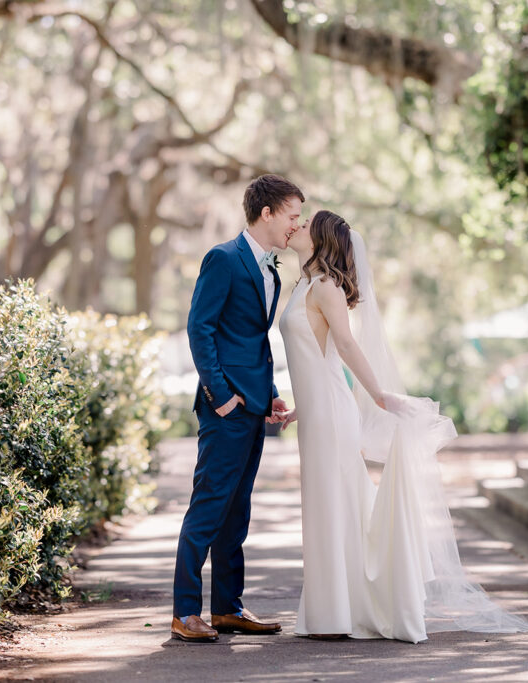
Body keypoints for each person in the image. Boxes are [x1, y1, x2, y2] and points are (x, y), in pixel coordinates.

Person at [276, 210, 528, 642]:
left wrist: (379, 395)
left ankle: (341, 612)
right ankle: (332, 610)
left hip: (333, 418)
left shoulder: (325, 287)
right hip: (318, 414)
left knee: (336, 503)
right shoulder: (304, 283)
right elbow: (322, 359)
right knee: (330, 505)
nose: (297, 227)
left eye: (306, 224)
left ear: (320, 240)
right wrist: (302, 406)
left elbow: (345, 345)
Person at [171, 174, 303, 643]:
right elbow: (199, 329)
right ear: (266, 212)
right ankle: (185, 611)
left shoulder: (273, 269)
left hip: (253, 406)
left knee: (236, 512)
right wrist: (221, 396)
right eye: (292, 215)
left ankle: (227, 608)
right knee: (208, 507)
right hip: (225, 408)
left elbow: (251, 341)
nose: (297, 224)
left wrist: (267, 395)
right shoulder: (223, 259)